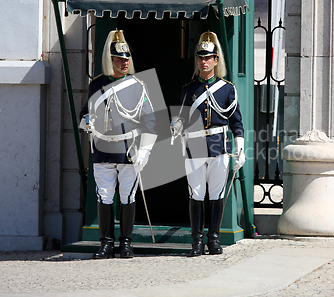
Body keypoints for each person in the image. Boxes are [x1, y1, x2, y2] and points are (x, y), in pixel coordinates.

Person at [79, 29, 156, 259]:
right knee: (104, 196)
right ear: (109, 60)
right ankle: (106, 243)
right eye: (119, 59)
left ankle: (126, 242)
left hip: (128, 151)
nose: (124, 63)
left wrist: (145, 150)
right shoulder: (97, 85)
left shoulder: (137, 85)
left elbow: (150, 120)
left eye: (126, 59)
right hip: (103, 149)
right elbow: (84, 114)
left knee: (127, 197)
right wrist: (87, 123)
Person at [171, 31, 245, 257]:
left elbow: (236, 122)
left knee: (216, 194)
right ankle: (197, 242)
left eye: (208, 57)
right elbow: (180, 119)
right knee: (196, 194)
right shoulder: (188, 89)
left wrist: (240, 148)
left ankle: (213, 240)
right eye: (200, 58)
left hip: (218, 147)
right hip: (194, 147)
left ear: (216, 60)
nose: (204, 61)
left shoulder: (227, 89)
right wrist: (175, 126)